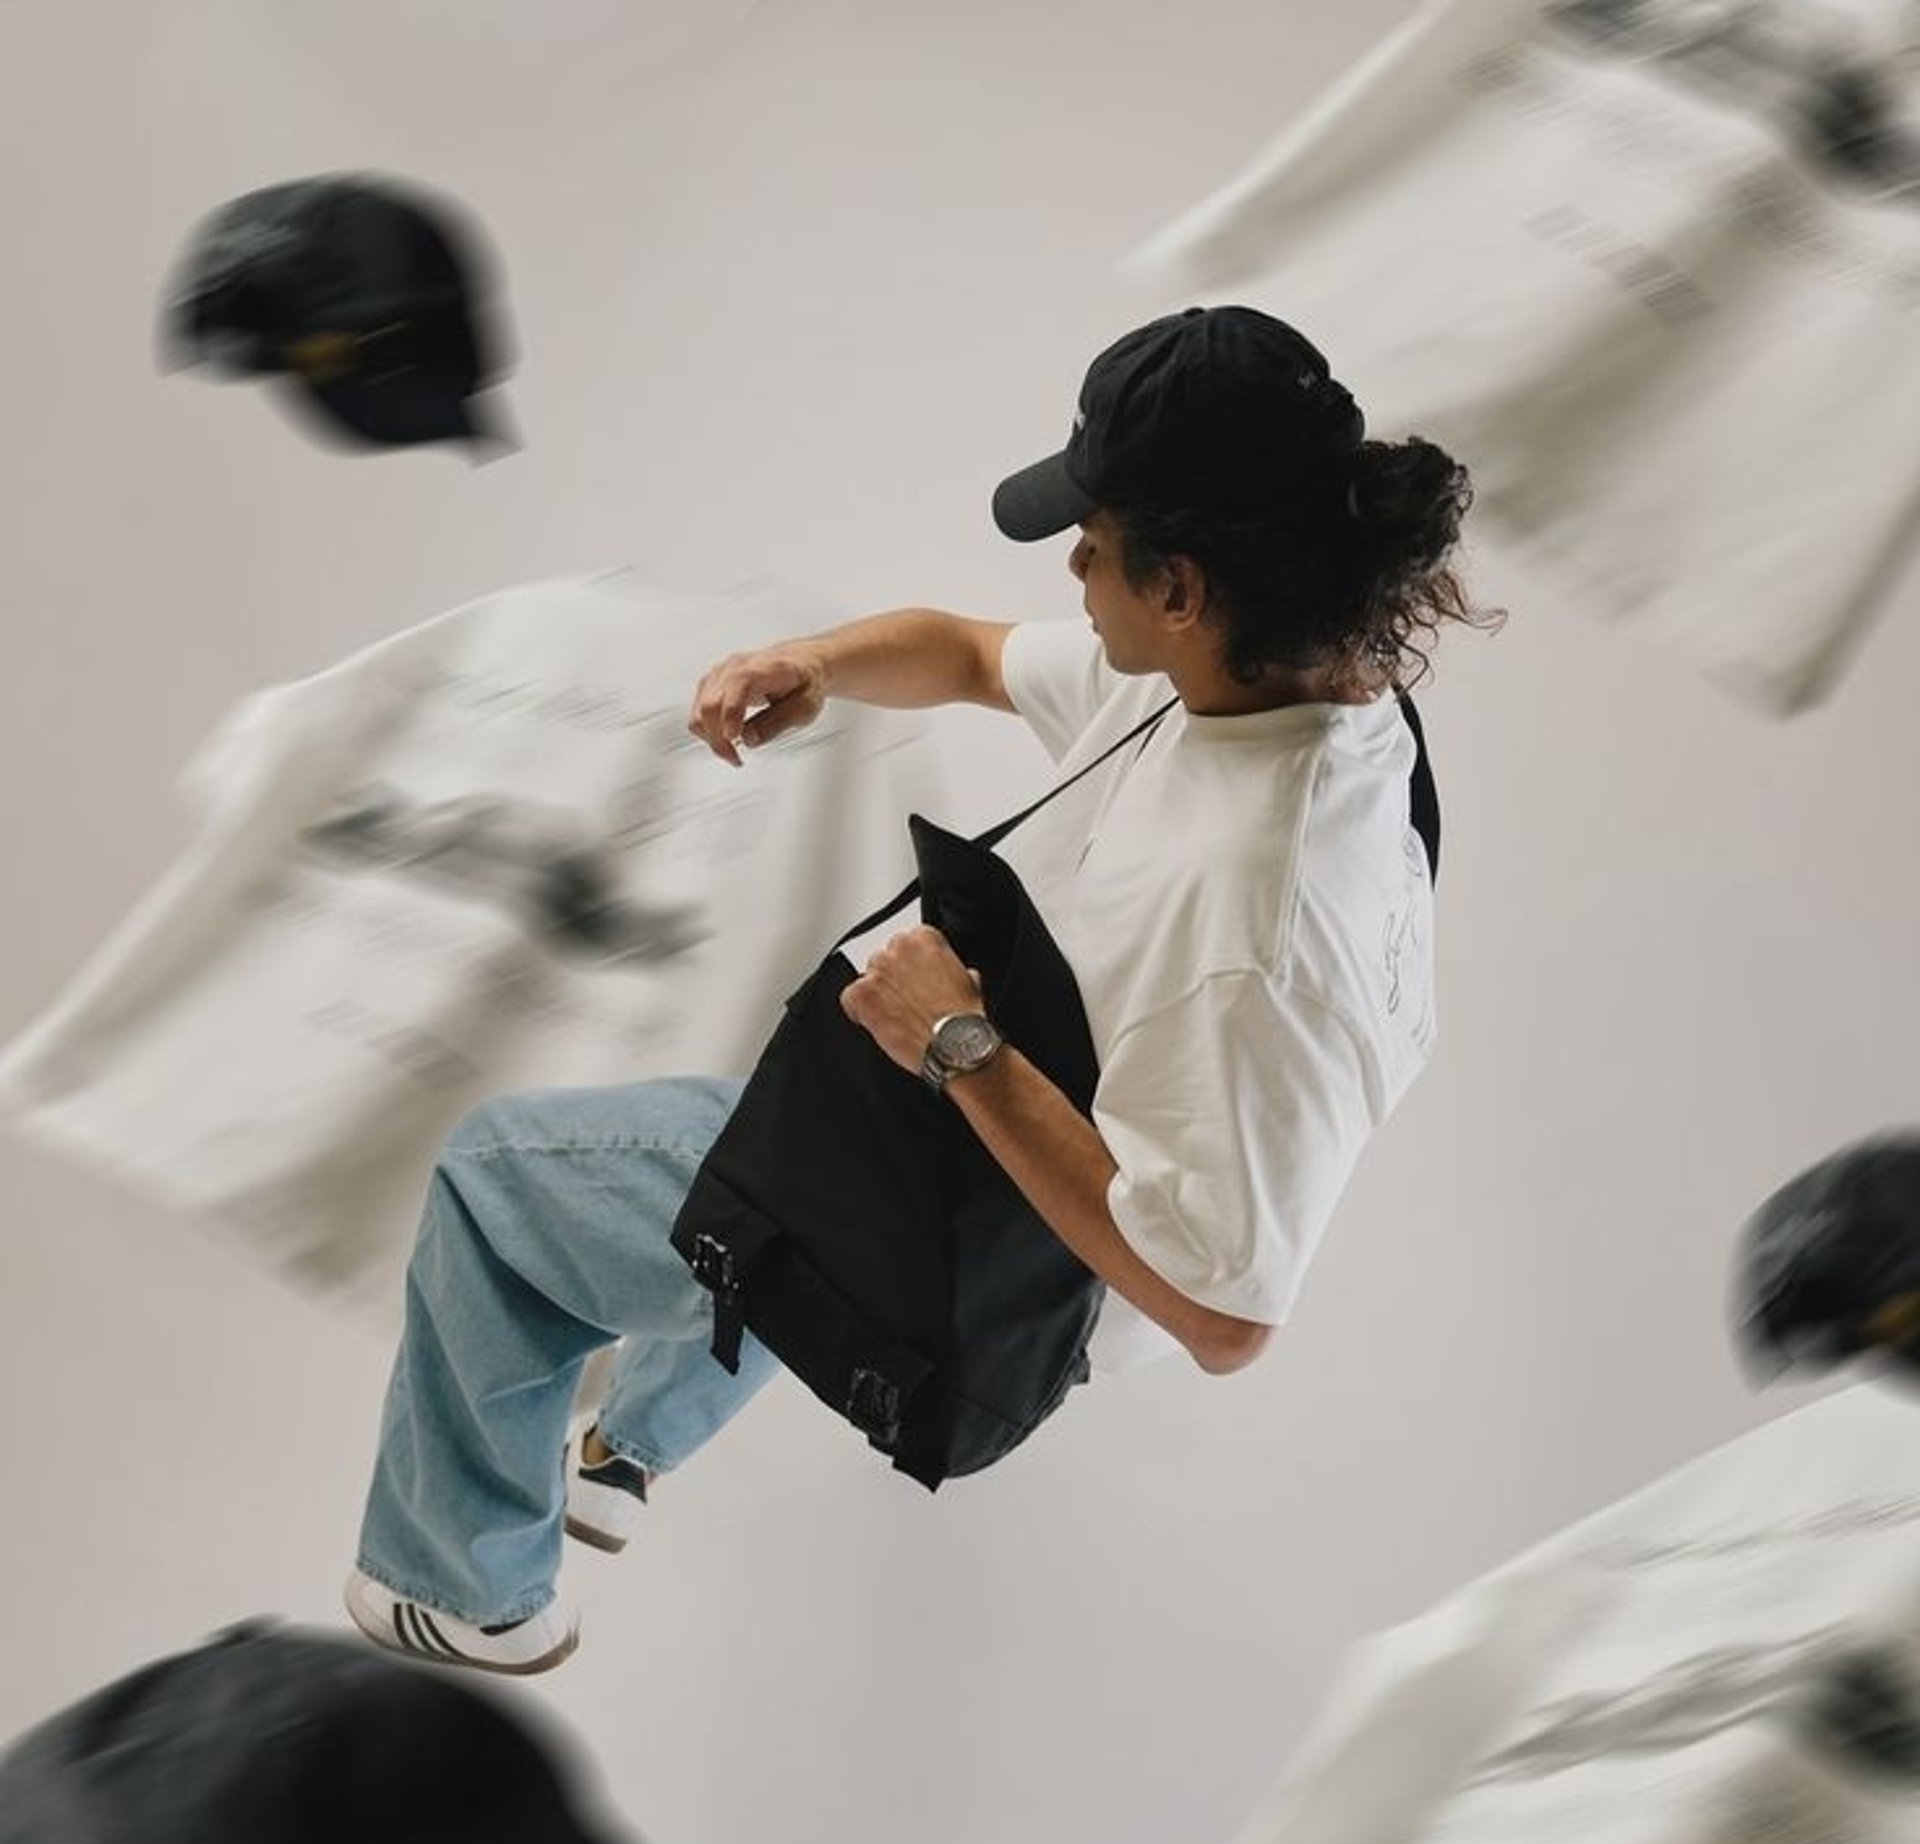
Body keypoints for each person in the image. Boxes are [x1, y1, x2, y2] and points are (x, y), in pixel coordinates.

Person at [344, 304, 1495, 1675]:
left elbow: (1226, 1312)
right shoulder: (1268, 674)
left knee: (495, 1180)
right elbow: (962, 649)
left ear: (1181, 584)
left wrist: (957, 1041)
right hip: (983, 1157)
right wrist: (815, 664)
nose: (1072, 560)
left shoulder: (1265, 905)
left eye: (1098, 538)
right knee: (795, 1071)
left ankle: (463, 1587)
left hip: (980, 1261)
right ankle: (624, 1454)